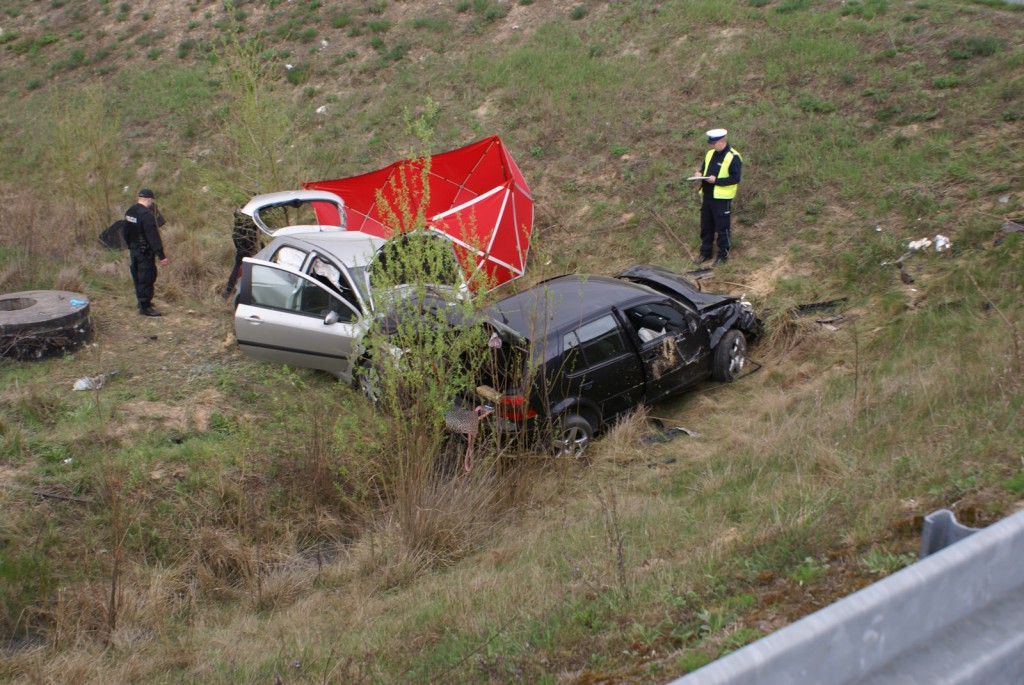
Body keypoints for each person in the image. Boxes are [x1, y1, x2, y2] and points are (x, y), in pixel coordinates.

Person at [694, 128, 743, 266]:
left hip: (722, 199)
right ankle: (705, 253)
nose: (711, 146)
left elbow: (735, 178)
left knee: (723, 228)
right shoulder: (710, 154)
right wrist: (699, 174)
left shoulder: (733, 156)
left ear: (722, 141)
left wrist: (716, 181)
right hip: (708, 196)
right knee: (706, 226)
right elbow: (704, 170)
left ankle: (723, 256)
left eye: (714, 143)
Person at [123, 188, 167, 317]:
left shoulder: (130, 211)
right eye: (151, 201)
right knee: (147, 277)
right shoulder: (146, 215)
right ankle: (145, 307)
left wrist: (130, 245)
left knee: (137, 276)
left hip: (134, 249)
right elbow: (153, 236)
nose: (151, 203)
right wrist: (161, 255)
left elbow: (125, 231)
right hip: (145, 251)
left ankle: (141, 302)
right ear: (149, 199)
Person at [221, 209, 259, 299]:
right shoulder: (251, 211)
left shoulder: (244, 209)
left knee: (241, 264)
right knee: (241, 265)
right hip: (245, 242)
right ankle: (229, 290)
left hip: (241, 240)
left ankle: (231, 289)